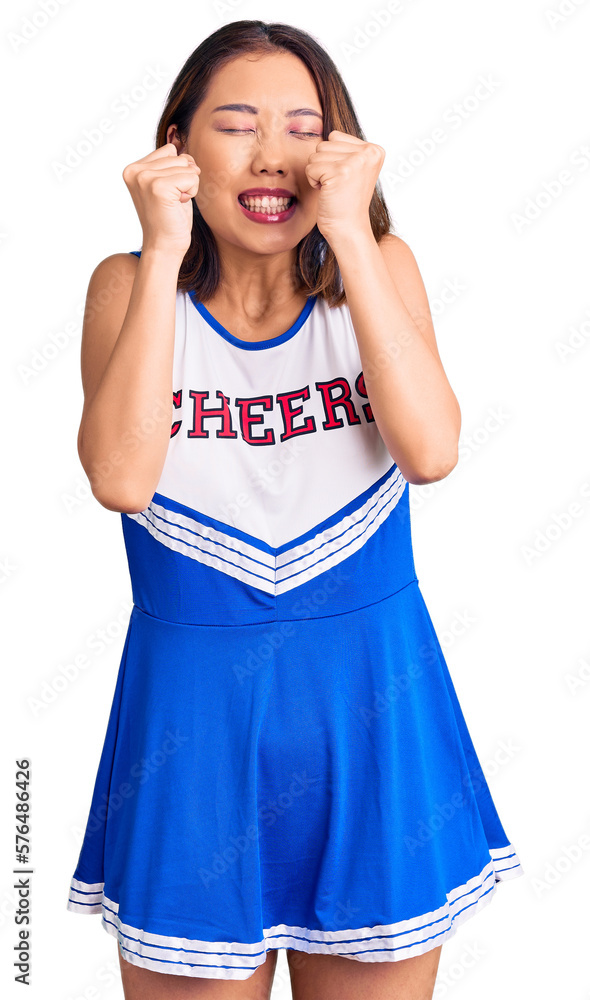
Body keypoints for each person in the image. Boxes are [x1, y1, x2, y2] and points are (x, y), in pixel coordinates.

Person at [66, 19, 523, 1000]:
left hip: (370, 709)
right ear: (177, 147)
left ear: (337, 151)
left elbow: (431, 450)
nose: (270, 150)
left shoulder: (377, 271)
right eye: (235, 124)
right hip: (188, 726)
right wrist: (161, 251)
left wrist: (352, 233)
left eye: (298, 126)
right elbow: (120, 476)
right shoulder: (127, 288)